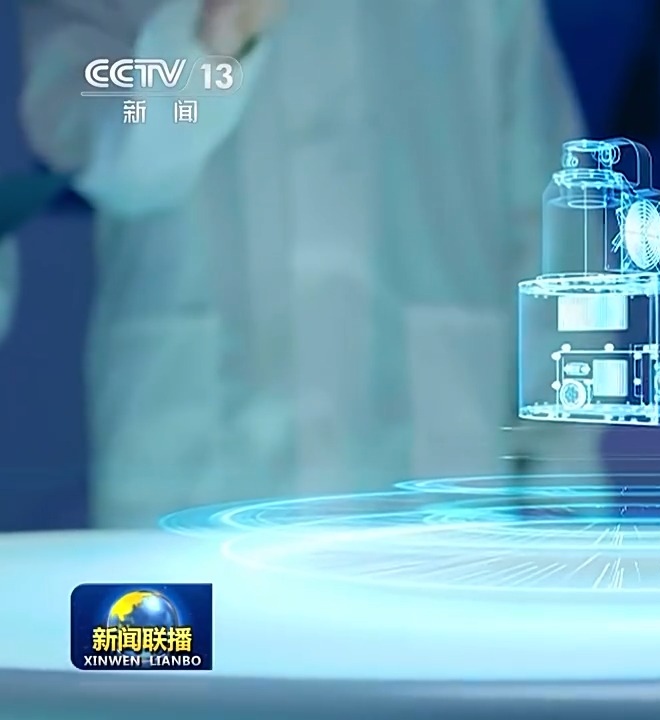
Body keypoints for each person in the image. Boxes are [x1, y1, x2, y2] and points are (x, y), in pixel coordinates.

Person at [18, 0, 601, 528]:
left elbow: (552, 227)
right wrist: (215, 36)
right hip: (199, 459)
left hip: (436, 463)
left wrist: (563, 487)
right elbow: (107, 158)